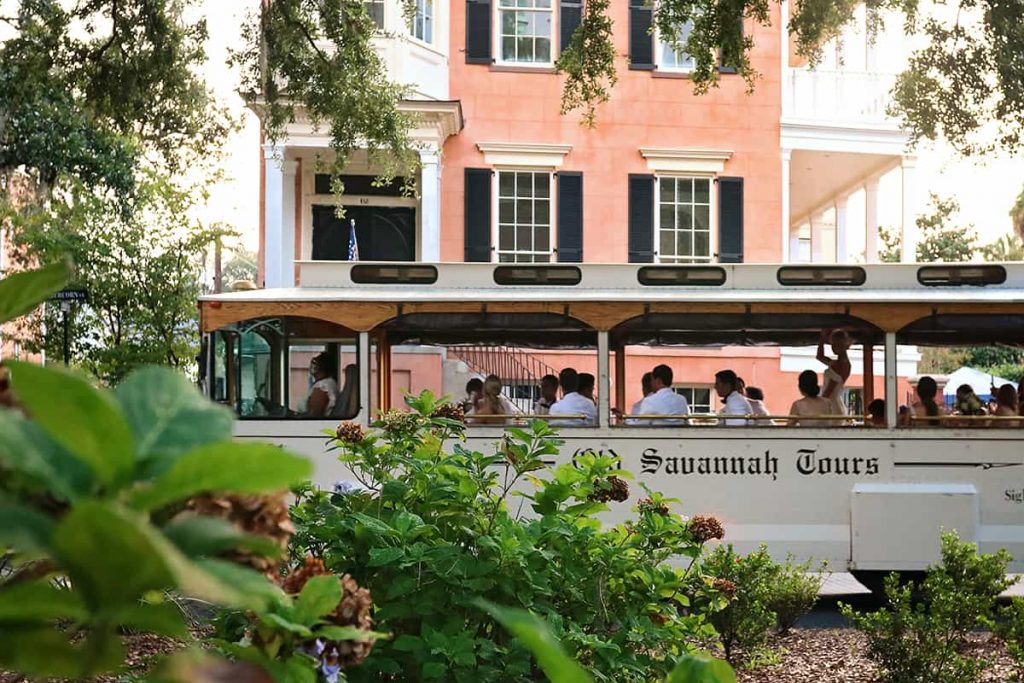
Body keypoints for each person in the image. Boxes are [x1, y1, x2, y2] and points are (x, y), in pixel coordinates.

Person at [817, 329, 852, 415]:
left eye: (837, 344)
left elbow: (829, 391)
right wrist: (822, 339)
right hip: (833, 403)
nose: (833, 347)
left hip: (832, 406)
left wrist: (817, 405)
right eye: (832, 344)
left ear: (844, 345)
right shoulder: (838, 363)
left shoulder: (840, 365)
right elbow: (820, 357)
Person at [305, 352, 340, 418]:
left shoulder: (323, 385)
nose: (312, 366)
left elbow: (314, 414)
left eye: (315, 363)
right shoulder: (328, 382)